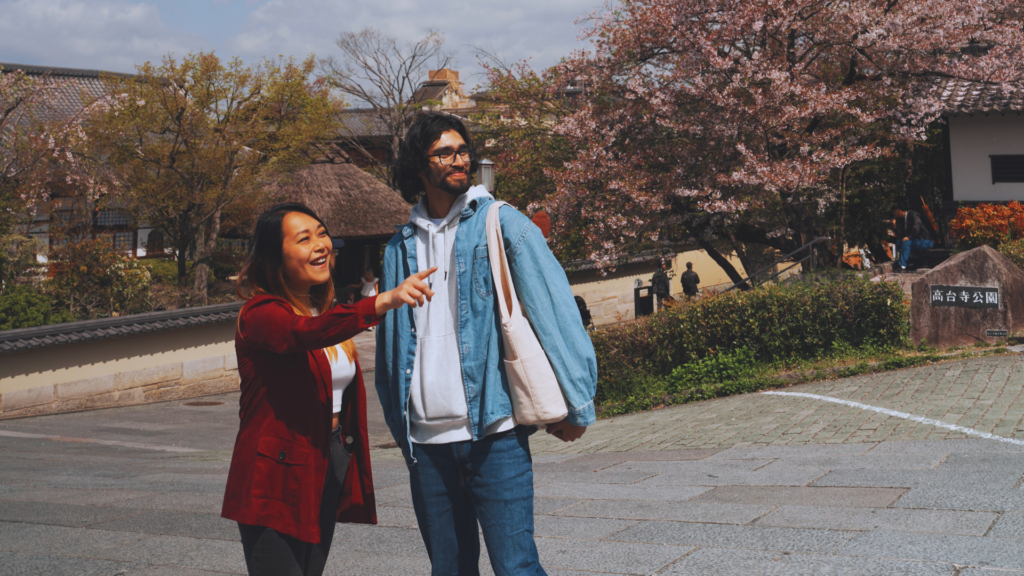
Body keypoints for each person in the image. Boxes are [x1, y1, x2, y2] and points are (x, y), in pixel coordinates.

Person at [377, 112, 598, 576]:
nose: (460, 161)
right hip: (426, 440)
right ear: (420, 165)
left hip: (493, 433)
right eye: (445, 153)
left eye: (463, 151)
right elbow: (391, 345)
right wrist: (400, 424)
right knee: (450, 569)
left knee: (516, 566)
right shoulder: (398, 247)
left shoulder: (503, 223)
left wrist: (577, 403)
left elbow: (555, 310)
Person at [222, 202, 436, 576]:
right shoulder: (260, 314)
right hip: (275, 468)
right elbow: (300, 336)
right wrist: (384, 299)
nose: (321, 245)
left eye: (322, 234)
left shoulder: (323, 310)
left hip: (328, 453)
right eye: (304, 239)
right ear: (276, 256)